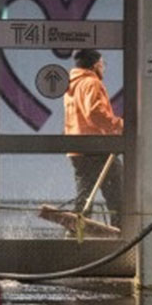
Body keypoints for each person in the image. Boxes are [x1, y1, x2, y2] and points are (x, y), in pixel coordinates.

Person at [63, 48, 124, 230]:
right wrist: (119, 125)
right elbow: (95, 113)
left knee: (85, 193)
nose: (103, 68)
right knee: (118, 194)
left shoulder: (71, 85)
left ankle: (75, 231)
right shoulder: (92, 82)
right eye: (103, 64)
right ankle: (121, 233)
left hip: (76, 148)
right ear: (96, 64)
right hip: (96, 147)